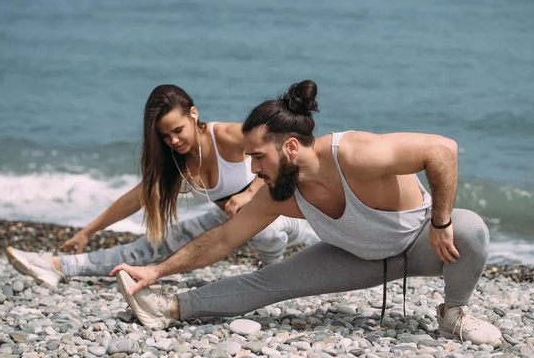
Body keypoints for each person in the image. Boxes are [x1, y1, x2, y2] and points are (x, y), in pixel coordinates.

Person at [112, 80, 502, 346]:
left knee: (469, 229)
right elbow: (223, 239)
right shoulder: (279, 192)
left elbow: (442, 150)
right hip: (354, 257)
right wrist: (155, 271)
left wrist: (441, 221)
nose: (252, 170)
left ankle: (454, 312)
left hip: (420, 242)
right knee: (263, 284)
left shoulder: (352, 153)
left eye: (258, 157)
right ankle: (171, 307)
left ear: (292, 148)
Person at [6, 84, 319, 287]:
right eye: (165, 136)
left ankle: (273, 277)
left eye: (178, 130)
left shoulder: (227, 136)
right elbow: (136, 198)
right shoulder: (175, 158)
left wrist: (251, 193)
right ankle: (57, 265)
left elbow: (282, 154)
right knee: (151, 247)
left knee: (267, 231)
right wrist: (88, 231)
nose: (174, 140)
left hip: (283, 215)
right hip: (229, 223)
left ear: (193, 113)